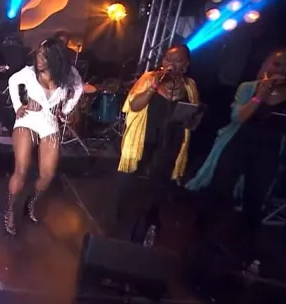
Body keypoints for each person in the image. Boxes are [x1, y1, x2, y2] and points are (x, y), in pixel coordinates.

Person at [187, 49, 286, 265]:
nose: (281, 71)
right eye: (277, 64)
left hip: (267, 152)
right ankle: (202, 243)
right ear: (266, 64)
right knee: (218, 191)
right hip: (237, 144)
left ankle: (242, 256)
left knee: (254, 203)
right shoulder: (248, 87)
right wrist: (261, 95)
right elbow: (238, 117)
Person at [114, 44, 199, 243]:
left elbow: (193, 117)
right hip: (145, 138)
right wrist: (153, 87)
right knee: (132, 183)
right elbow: (134, 105)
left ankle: (148, 224)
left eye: (177, 60)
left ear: (186, 64)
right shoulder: (149, 78)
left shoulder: (189, 86)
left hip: (171, 142)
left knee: (158, 186)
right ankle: (122, 224)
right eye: (168, 59)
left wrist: (191, 118)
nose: (171, 64)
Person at [4, 38, 83, 235]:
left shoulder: (68, 74)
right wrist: (18, 106)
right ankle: (10, 211)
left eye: (44, 56)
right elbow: (12, 81)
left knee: (47, 175)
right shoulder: (30, 72)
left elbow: (79, 88)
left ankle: (31, 202)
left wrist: (66, 110)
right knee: (21, 170)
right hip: (28, 119)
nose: (38, 59)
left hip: (49, 122)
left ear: (55, 58)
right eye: (38, 54)